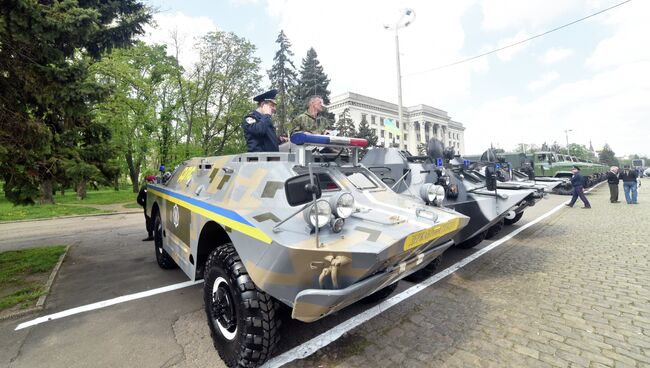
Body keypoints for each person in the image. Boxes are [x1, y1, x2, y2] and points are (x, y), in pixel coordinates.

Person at [137, 175, 156, 241]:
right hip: (156, 207)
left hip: (147, 207)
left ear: (147, 181)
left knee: (149, 220)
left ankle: (150, 235)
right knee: (157, 220)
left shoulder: (144, 188)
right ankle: (158, 234)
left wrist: (144, 205)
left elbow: (139, 199)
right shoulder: (157, 188)